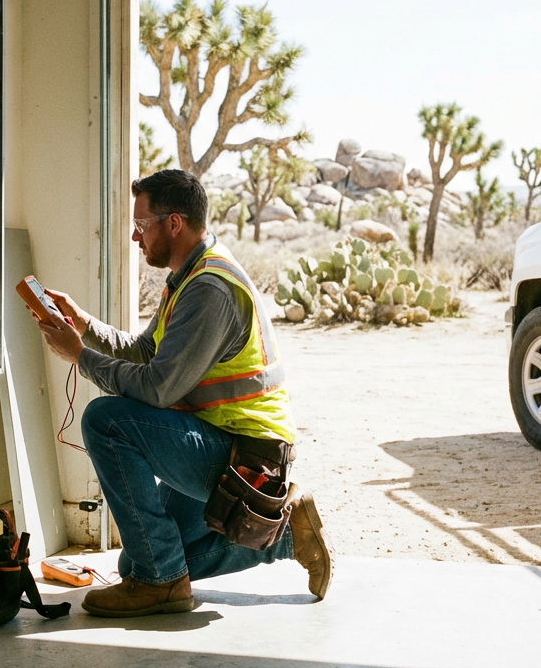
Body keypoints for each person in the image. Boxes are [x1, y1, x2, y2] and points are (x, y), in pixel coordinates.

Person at [33, 168, 332, 617]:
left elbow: (155, 388)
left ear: (174, 223)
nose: (136, 239)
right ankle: (286, 537)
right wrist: (85, 326)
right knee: (140, 560)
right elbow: (144, 353)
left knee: (104, 419)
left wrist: (80, 357)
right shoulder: (189, 278)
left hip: (245, 454)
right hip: (218, 440)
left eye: (141, 226)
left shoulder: (209, 289)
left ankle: (163, 586)